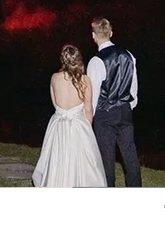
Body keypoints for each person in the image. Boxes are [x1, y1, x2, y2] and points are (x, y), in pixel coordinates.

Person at [31, 44, 109, 188]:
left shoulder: (54, 78)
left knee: (57, 159)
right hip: (78, 125)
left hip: (58, 124)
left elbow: (55, 103)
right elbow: (88, 108)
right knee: (82, 162)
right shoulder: (85, 80)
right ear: (78, 59)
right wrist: (88, 128)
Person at [87, 16, 141, 189]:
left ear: (94, 36)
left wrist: (91, 117)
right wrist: (129, 105)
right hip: (125, 110)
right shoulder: (129, 56)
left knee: (106, 159)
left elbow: (93, 95)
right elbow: (134, 86)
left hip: (105, 114)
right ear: (111, 33)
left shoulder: (96, 61)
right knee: (130, 155)